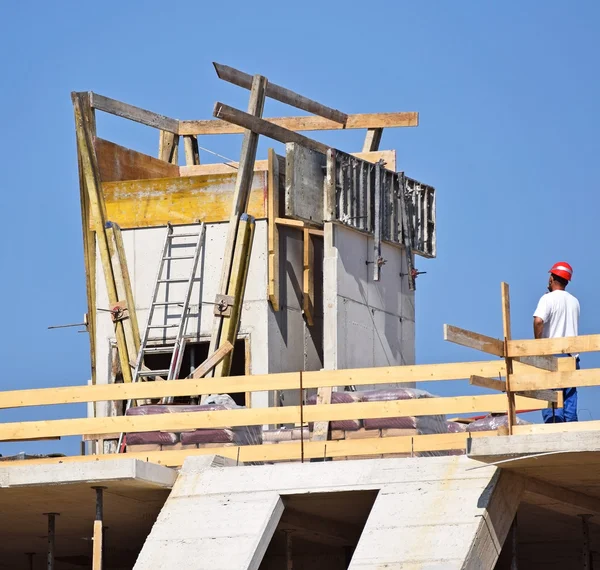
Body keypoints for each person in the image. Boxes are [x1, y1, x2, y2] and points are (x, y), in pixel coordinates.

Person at [533, 262, 580, 423]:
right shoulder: (574, 302)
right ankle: (572, 432)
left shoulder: (547, 299)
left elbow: (539, 321)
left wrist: (538, 346)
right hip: (572, 356)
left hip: (552, 355)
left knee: (551, 399)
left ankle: (554, 429)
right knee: (569, 398)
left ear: (552, 278)